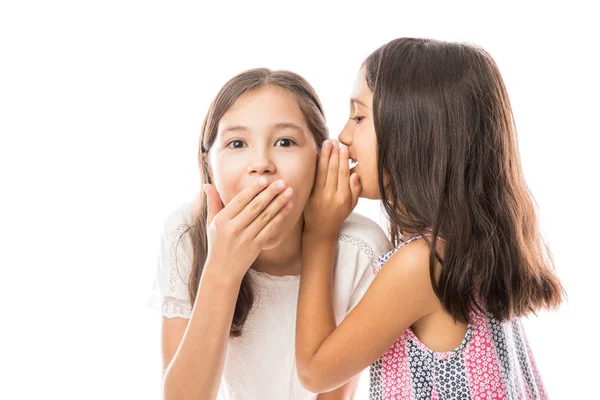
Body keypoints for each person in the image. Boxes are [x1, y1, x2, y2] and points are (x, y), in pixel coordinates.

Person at [295, 38, 564, 399]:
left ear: (414, 134)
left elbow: (315, 371)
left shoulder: (422, 265)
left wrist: (319, 234)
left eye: (359, 116)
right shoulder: (463, 252)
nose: (343, 135)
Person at [148, 68, 392, 399]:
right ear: (208, 164)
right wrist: (222, 270)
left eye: (285, 142)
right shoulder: (185, 235)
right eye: (237, 143)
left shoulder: (361, 249)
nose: (261, 163)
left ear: (321, 158)